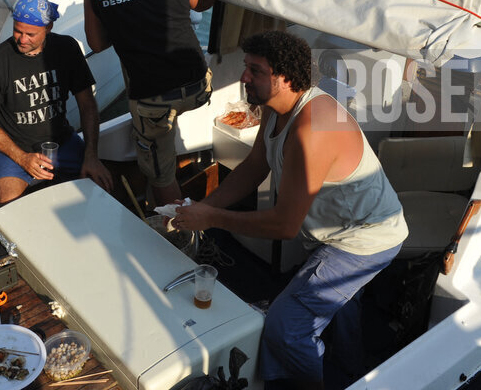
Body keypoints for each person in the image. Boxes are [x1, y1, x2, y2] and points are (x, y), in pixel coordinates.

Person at [174, 30, 407, 390]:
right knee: (340, 310)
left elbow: (284, 225)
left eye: (254, 70)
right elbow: (254, 167)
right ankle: (352, 372)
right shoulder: (275, 109)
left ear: (284, 78)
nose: (243, 78)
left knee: (286, 327)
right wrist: (202, 206)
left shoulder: (311, 129)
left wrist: (212, 218)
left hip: (363, 239)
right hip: (337, 230)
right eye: (245, 67)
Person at [85, 0, 211, 206]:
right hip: (198, 86)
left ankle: (180, 239)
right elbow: (198, 4)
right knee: (163, 131)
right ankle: (158, 204)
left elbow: (97, 44)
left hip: (153, 101)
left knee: (161, 176)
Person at [0, 0, 109, 204]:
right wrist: (22, 157)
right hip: (15, 150)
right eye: (17, 31)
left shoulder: (67, 48)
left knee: (102, 186)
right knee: (8, 203)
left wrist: (91, 155)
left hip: (62, 142)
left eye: (31, 34)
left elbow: (87, 104)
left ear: (48, 28)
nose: (22, 39)